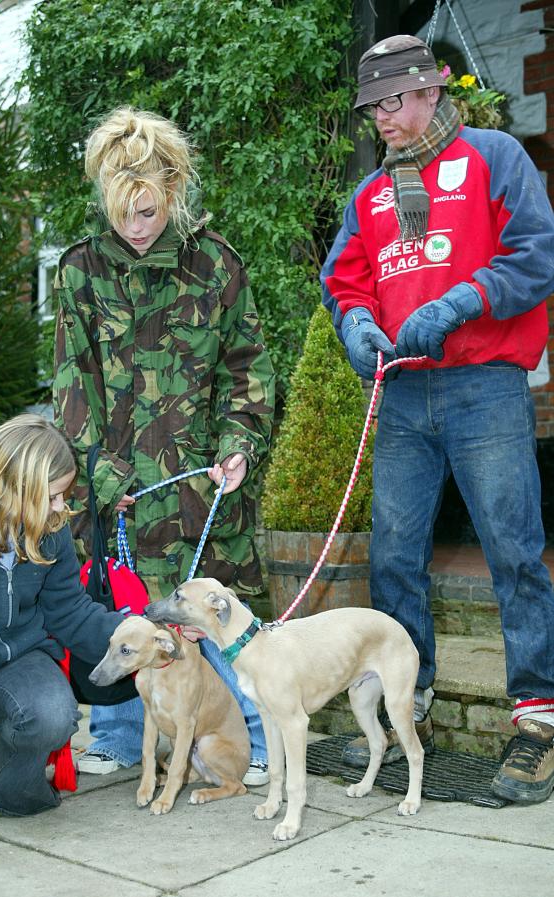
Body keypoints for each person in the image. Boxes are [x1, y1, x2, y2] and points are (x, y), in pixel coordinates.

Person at [321, 34, 554, 804]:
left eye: (393, 100)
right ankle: (403, 705)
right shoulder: (370, 195)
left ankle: (538, 721)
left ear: (429, 91)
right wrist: (355, 325)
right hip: (404, 396)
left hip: (486, 385)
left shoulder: (493, 156)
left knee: (513, 551)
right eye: (372, 106)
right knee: (392, 556)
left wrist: (461, 301)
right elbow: (345, 280)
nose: (382, 119)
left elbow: (535, 254)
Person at [53, 107, 275, 786]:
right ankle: (122, 736)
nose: (136, 225)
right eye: (124, 213)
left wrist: (238, 446)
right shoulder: (80, 271)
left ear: (171, 190)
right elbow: (71, 384)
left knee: (222, 617)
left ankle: (258, 739)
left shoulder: (217, 265)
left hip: (203, 487)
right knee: (124, 613)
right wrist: (93, 477)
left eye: (147, 210)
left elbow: (250, 370)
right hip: (120, 493)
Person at [0, 413, 126, 815]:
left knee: (54, 714)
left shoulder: (51, 529)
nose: (61, 507)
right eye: (51, 496)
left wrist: (142, 632)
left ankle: (13, 787)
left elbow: (71, 611)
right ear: (13, 486)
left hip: (16, 659)